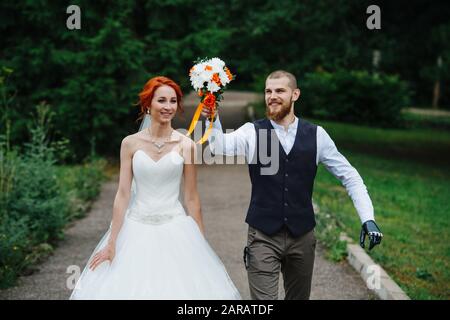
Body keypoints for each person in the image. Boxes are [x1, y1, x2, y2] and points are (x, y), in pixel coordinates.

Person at [201, 70, 383, 300]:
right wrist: (212, 119)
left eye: (279, 91)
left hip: (303, 237)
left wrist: (368, 217)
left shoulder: (317, 135)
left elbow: (350, 177)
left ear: (295, 94)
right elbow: (219, 148)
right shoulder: (253, 132)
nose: (272, 96)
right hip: (263, 236)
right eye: (268, 91)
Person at [70, 76, 241, 300]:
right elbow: (122, 195)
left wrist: (200, 246)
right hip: (136, 228)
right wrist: (112, 243)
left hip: (175, 227)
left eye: (172, 101)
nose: (168, 107)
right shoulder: (129, 144)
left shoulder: (186, 146)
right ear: (148, 104)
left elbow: (191, 199)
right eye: (161, 100)